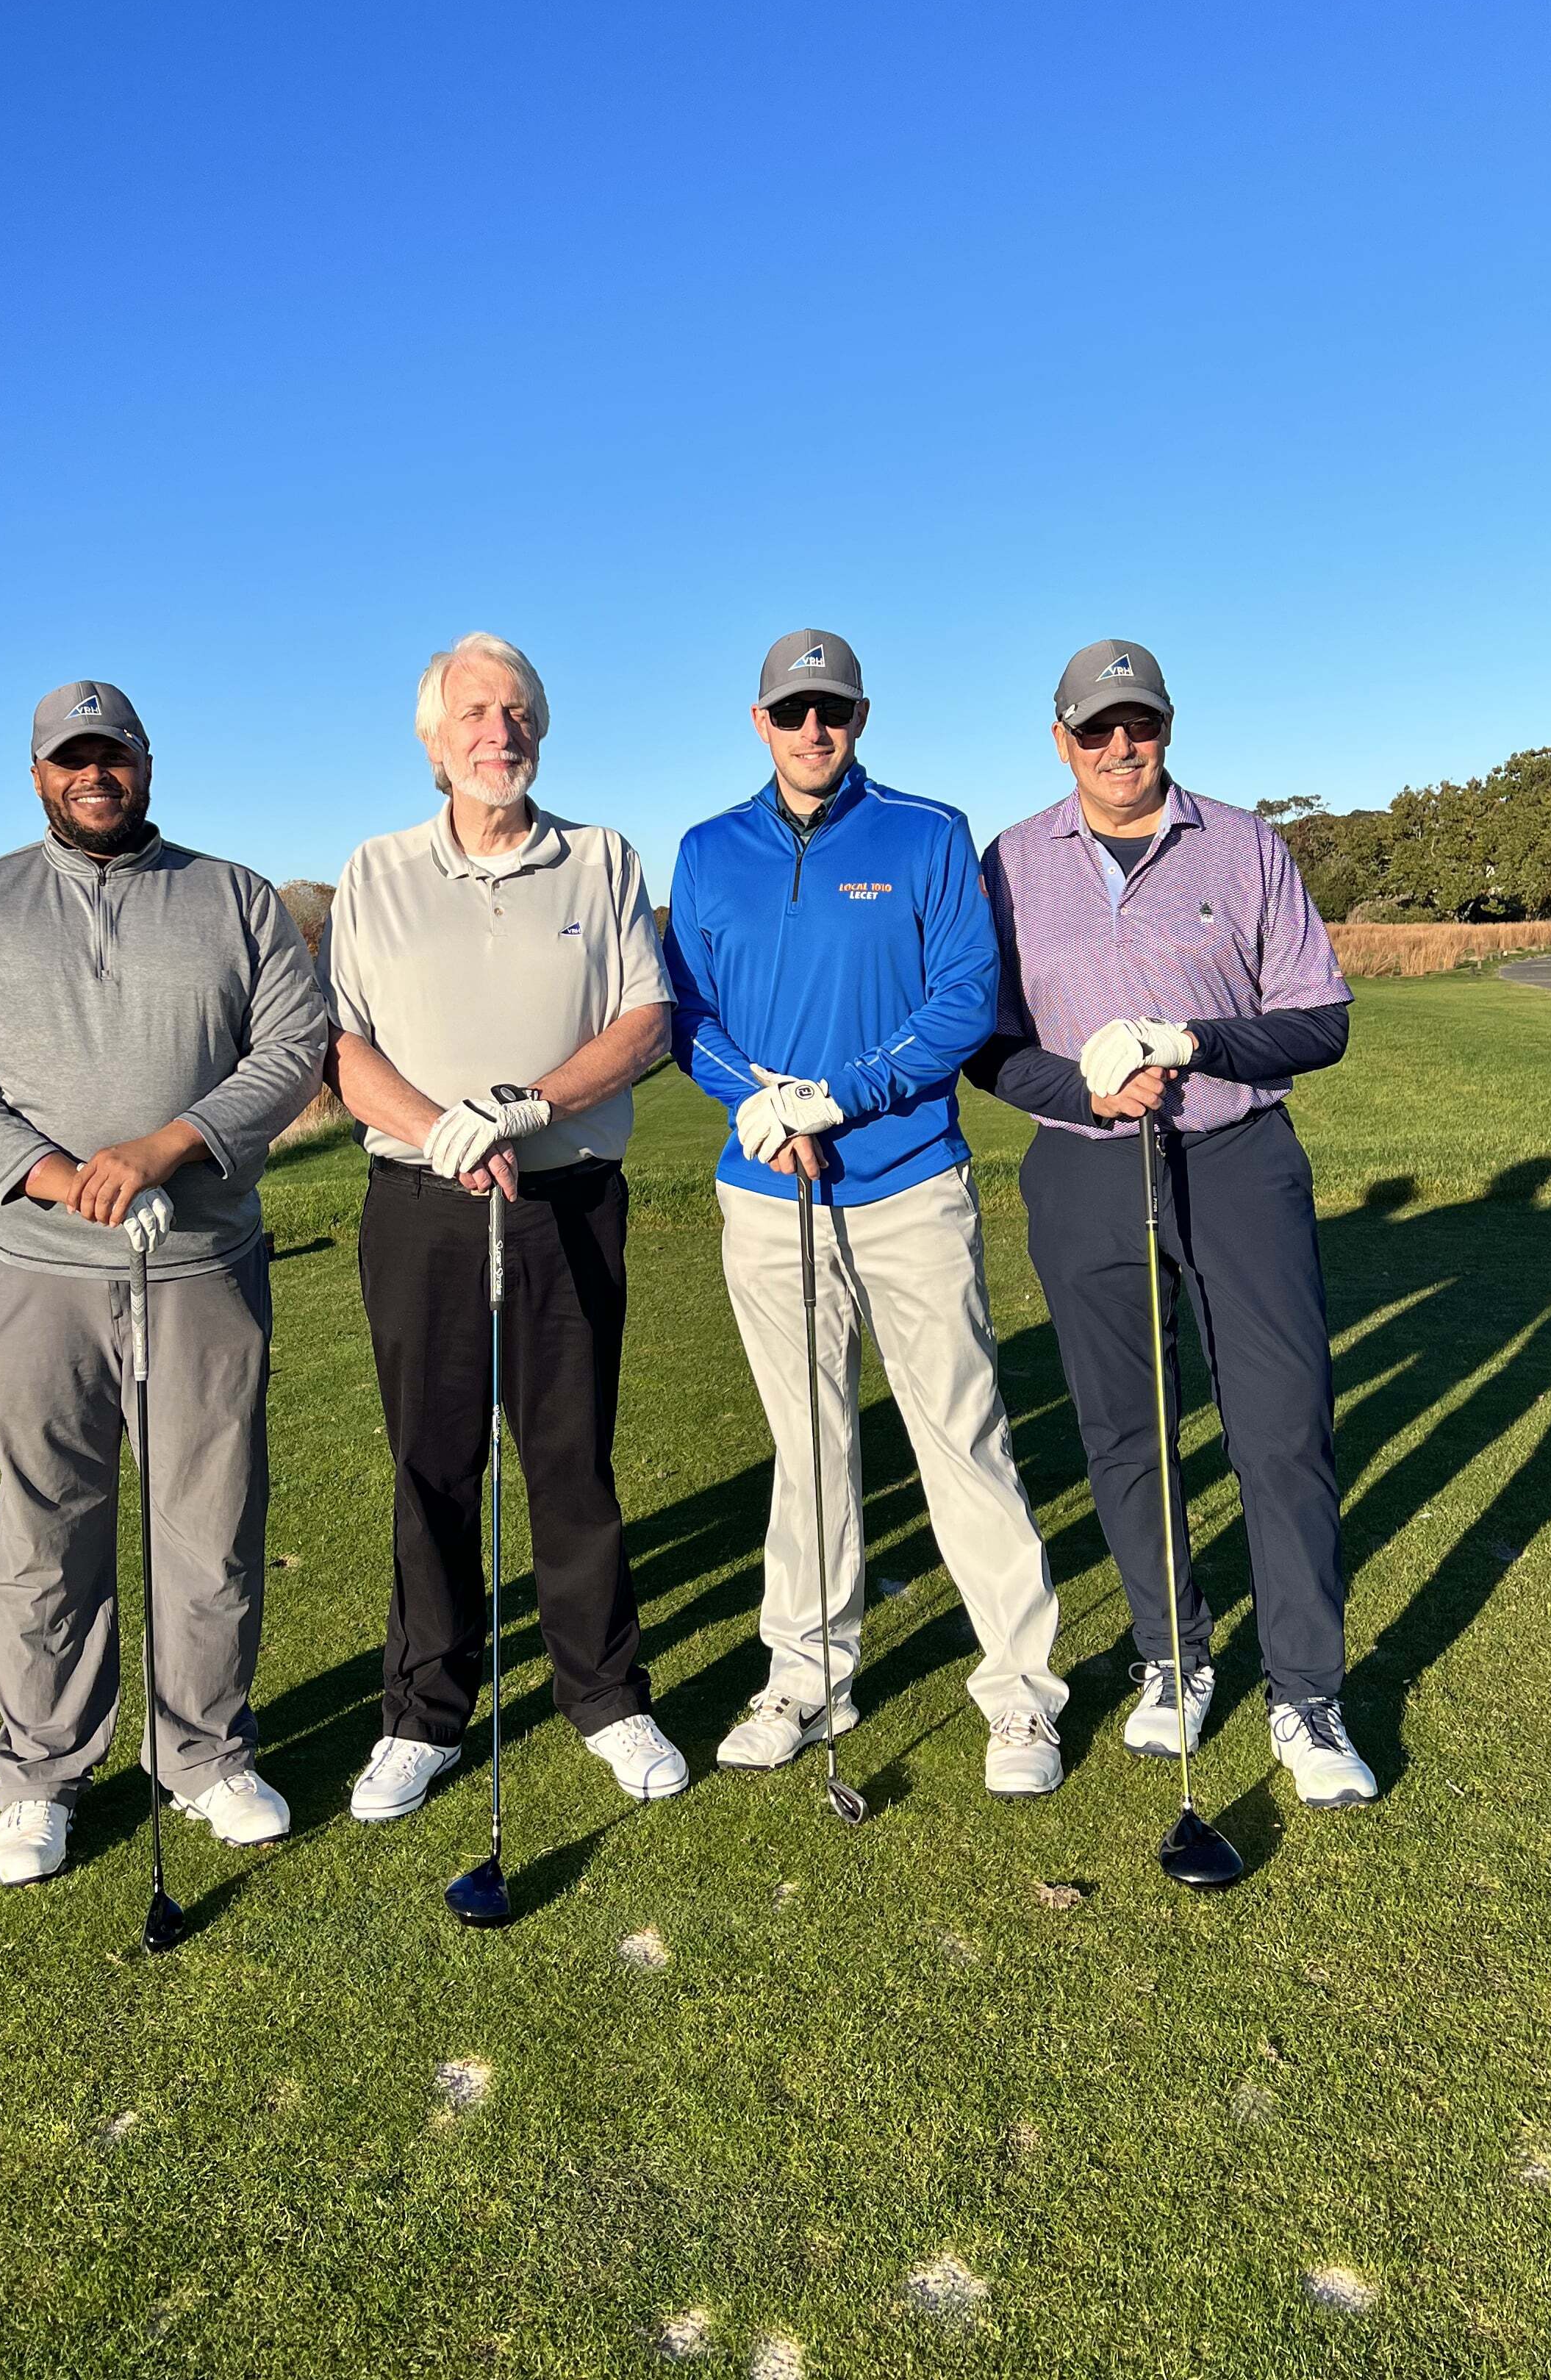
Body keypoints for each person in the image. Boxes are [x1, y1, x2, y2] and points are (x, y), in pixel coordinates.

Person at [0, 681, 328, 1884]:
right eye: (70, 758)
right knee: (49, 1526)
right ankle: (41, 1775)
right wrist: (55, 1177)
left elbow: (293, 1049)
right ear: (39, 775)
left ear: (146, 762)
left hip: (198, 1263)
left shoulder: (235, 896)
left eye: (114, 754)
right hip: (33, 1271)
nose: (95, 774)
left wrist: (167, 1148)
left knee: (212, 1524)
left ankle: (205, 1755)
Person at [664, 629, 1069, 1798]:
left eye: (832, 709)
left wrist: (838, 1095)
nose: (814, 729)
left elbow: (964, 1000)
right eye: (793, 711)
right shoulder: (707, 850)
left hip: (908, 1183)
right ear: (760, 722)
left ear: (861, 717)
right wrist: (757, 1103)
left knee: (962, 1436)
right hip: (766, 1193)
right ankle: (806, 1678)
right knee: (808, 1446)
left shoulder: (926, 833)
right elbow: (685, 1011)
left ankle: (1021, 1693)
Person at [972, 637, 1377, 1807]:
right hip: (1084, 1166)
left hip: (1238, 1158)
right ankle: (1174, 1653)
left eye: (1138, 724)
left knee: (1282, 1425)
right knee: (1123, 1428)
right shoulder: (1011, 862)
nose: (1119, 746)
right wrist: (1084, 1090)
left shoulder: (1244, 845)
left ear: (1166, 728)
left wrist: (1194, 1043)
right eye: (1095, 729)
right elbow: (988, 1046)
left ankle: (1307, 1692)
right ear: (1061, 740)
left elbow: (1321, 1019)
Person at [320, 632, 687, 1822]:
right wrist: (440, 1129)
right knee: (432, 1467)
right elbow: (343, 1046)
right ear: (434, 741)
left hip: (564, 1196)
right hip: (421, 1207)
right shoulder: (375, 870)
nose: (500, 730)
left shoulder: (602, 858)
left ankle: (606, 1695)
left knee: (571, 1460)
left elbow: (646, 1020)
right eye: (475, 712)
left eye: (519, 710)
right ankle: (422, 1714)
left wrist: (528, 1105)